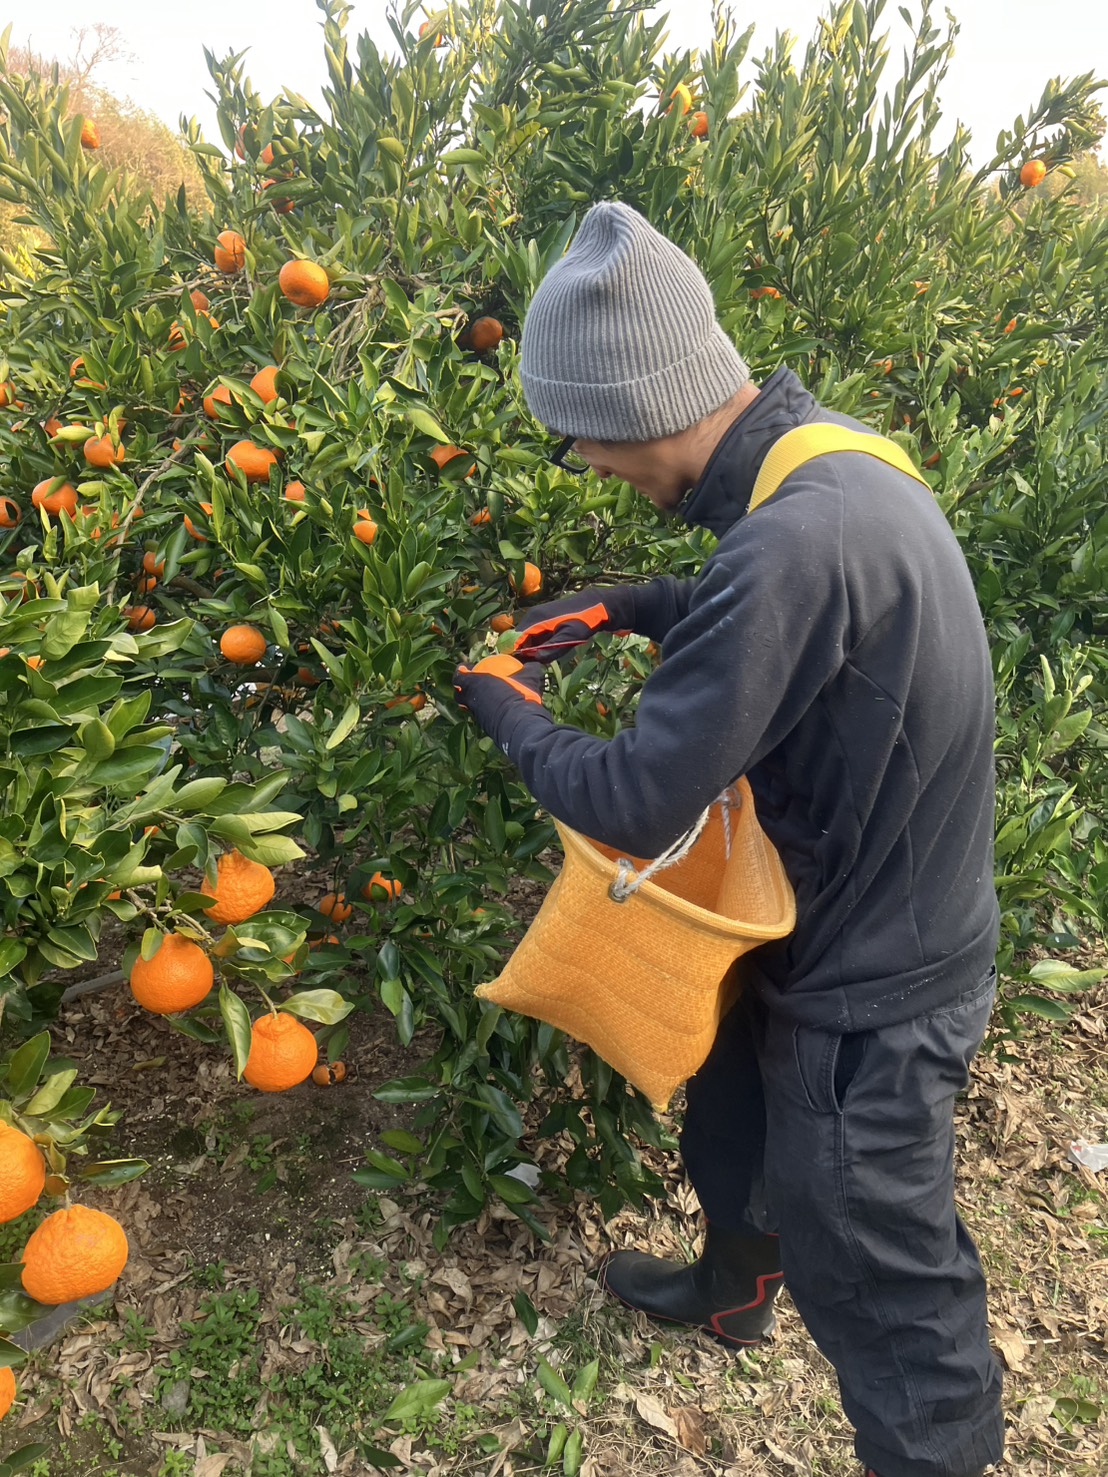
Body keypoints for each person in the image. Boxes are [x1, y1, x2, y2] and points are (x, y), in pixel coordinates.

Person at [452, 200, 1003, 1477]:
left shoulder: (793, 543)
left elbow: (639, 797)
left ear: (632, 409)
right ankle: (731, 1289)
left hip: (873, 987)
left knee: (873, 1258)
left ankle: (935, 1452)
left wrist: (507, 708)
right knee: (736, 1131)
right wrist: (634, 604)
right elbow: (783, 614)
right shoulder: (828, 467)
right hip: (831, 908)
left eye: (577, 439)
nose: (583, 465)